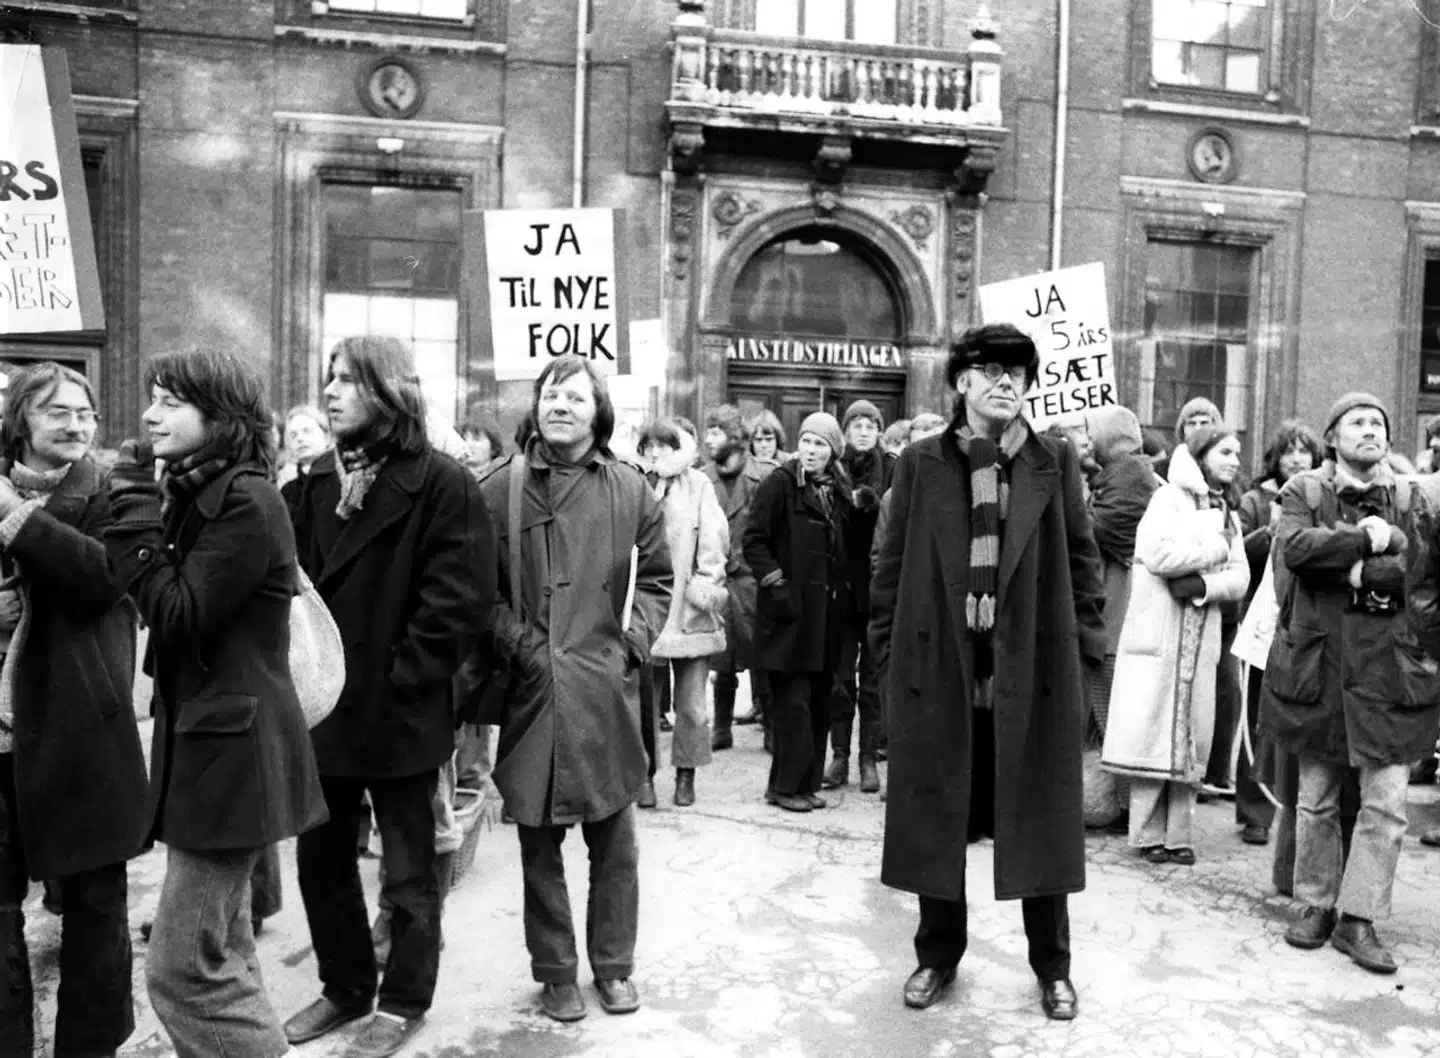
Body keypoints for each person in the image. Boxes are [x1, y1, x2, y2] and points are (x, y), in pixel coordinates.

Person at [870, 323, 1105, 1021]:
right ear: (962, 382)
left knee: (1038, 819)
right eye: (992, 371)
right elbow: (889, 568)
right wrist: (887, 663)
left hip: (1031, 673)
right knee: (937, 818)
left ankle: (1052, 968)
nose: (1007, 383)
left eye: (1019, 374)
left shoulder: (1052, 461)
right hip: (940, 669)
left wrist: (1087, 663)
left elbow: (1084, 564)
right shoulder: (920, 462)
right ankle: (937, 955)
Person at [105, 349, 329, 1058]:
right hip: (211, 750)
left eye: (170, 401)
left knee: (182, 970)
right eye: (152, 398)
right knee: (223, 952)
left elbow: (175, 611)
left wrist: (135, 500)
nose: (149, 415)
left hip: (233, 758)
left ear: (219, 415)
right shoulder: (209, 489)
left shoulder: (246, 498)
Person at [284, 336, 493, 1058]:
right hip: (324, 711)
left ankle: (403, 999)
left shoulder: (442, 483)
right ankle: (344, 988)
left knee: (407, 872)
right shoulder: (309, 485)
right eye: (330, 378)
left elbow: (458, 605)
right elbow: (289, 593)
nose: (332, 392)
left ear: (389, 390)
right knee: (321, 860)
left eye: (349, 380)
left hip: (399, 712)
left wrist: (402, 677)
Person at [479, 355, 671, 1023]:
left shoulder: (630, 490)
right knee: (538, 844)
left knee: (615, 840)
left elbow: (657, 582)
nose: (559, 406)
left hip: (605, 693)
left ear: (600, 414)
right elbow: (479, 590)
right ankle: (557, 972)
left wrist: (631, 649)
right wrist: (522, 646)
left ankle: (614, 967)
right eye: (550, 395)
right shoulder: (497, 488)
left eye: (576, 398)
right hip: (532, 691)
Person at [0, 363, 148, 1057]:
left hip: (82, 733)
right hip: (1, 740)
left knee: (94, 909)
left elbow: (102, 578)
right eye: (56, 411)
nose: (76, 425)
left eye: (84, 412)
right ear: (20, 419)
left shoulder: (119, 487)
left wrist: (13, 517)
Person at [1266, 392, 1439, 975]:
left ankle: (1357, 918)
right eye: (1357, 422)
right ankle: (1314, 904)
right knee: (1316, 800)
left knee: (1386, 806)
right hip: (1324, 671)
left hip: (1394, 672)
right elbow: (1293, 549)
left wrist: (1426, 639)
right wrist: (1364, 542)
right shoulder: (1303, 492)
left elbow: (1429, 571)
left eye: (1378, 423)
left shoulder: (1417, 497)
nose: (1370, 430)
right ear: (1332, 435)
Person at [1102, 426, 1250, 866]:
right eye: (1226, 452)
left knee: (1189, 740)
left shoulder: (1228, 511)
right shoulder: (1167, 499)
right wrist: (1213, 549)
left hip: (1199, 637)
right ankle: (1146, 835)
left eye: (1238, 453)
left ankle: (1179, 835)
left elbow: (1239, 576)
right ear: (1202, 454)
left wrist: (1203, 585)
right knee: (1153, 738)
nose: (1235, 460)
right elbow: (1156, 554)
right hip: (1160, 637)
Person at [744, 412, 853, 813]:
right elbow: (753, 541)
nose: (811, 450)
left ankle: (807, 783)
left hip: (825, 619)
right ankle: (784, 787)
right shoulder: (781, 484)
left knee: (821, 701)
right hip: (789, 618)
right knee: (793, 706)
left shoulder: (836, 490)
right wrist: (778, 584)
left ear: (832, 451)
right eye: (806, 441)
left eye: (820, 444)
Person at [1235, 420, 1324, 847]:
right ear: (1276, 457)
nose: (1297, 459)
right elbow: (1239, 557)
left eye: (1304, 451)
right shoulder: (1254, 500)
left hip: (1303, 626)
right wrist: (1266, 532)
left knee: (1290, 720)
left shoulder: (1319, 498)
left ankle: (1288, 805)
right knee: (1255, 718)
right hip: (1260, 623)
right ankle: (1254, 810)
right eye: (1289, 451)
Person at [639, 419, 728, 806]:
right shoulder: (633, 481)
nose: (656, 453)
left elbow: (714, 539)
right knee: (642, 700)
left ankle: (685, 774)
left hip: (687, 606)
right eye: (649, 446)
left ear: (679, 448)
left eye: (664, 445)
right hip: (646, 606)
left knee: (691, 702)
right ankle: (642, 775)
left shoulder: (698, 484)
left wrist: (705, 584)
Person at [1080, 405, 1159, 831]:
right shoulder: (1123, 473)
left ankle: (1126, 806)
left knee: (1112, 712)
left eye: (1092, 432)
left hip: (1118, 616)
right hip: (1114, 611)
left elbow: (1097, 532)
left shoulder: (1127, 475)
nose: (1087, 439)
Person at [825, 400, 893, 794]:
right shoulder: (834, 470)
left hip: (878, 589)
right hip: (841, 589)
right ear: (846, 431)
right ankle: (839, 757)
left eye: (871, 425)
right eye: (857, 425)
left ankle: (869, 760)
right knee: (839, 679)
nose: (864, 431)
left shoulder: (893, 467)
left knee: (872, 679)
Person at [703, 405, 776, 752]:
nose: (707, 439)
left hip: (754, 581)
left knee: (762, 654)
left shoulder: (764, 477)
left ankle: (771, 724)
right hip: (717, 581)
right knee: (722, 657)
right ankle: (721, 727)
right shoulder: (702, 479)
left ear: (734, 438)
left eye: (715, 432)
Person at [278, 405, 332, 515]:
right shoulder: (288, 492)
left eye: (307, 431)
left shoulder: (341, 480)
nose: (300, 438)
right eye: (293, 435)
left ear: (326, 436)